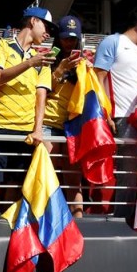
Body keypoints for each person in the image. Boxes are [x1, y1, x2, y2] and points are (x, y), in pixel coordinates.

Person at [0, 4, 57, 219]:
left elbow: (41, 96)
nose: (48, 32)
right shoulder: (0, 45)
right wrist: (30, 63)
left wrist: (38, 130)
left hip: (25, 132)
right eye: (46, 25)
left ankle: (10, 229)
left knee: (17, 184)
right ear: (33, 21)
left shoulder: (43, 61)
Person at [94, 4, 137, 218]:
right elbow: (98, 78)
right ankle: (123, 217)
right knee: (128, 172)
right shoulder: (113, 42)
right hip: (122, 116)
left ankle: (134, 215)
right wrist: (104, 114)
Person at [43, 16, 85, 217]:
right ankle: (47, 217)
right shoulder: (48, 58)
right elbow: (43, 90)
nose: (69, 42)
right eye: (66, 38)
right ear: (58, 38)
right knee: (46, 174)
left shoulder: (84, 63)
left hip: (73, 124)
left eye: (73, 38)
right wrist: (60, 70)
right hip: (49, 122)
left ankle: (79, 219)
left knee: (73, 178)